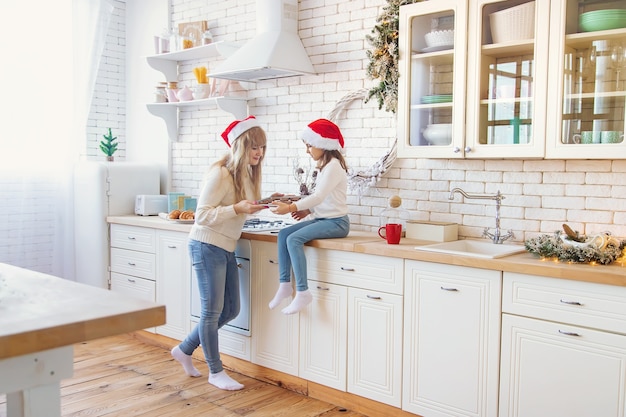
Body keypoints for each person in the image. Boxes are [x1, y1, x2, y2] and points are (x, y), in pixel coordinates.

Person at [171, 115, 268, 391]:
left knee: (231, 309)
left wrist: (265, 203)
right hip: (206, 246)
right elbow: (202, 215)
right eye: (253, 147)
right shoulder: (221, 172)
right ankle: (215, 371)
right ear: (240, 146)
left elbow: (238, 209)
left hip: (225, 246)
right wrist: (237, 209)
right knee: (211, 312)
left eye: (262, 147)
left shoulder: (246, 175)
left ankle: (184, 349)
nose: (259, 153)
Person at [268, 118, 350, 314]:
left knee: (294, 239)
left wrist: (290, 208)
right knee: (283, 235)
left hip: (337, 223)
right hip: (324, 219)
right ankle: (285, 284)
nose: (307, 150)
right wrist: (308, 209)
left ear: (323, 144)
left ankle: (303, 292)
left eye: (309, 145)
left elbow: (319, 196)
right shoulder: (326, 166)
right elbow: (326, 199)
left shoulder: (334, 167)